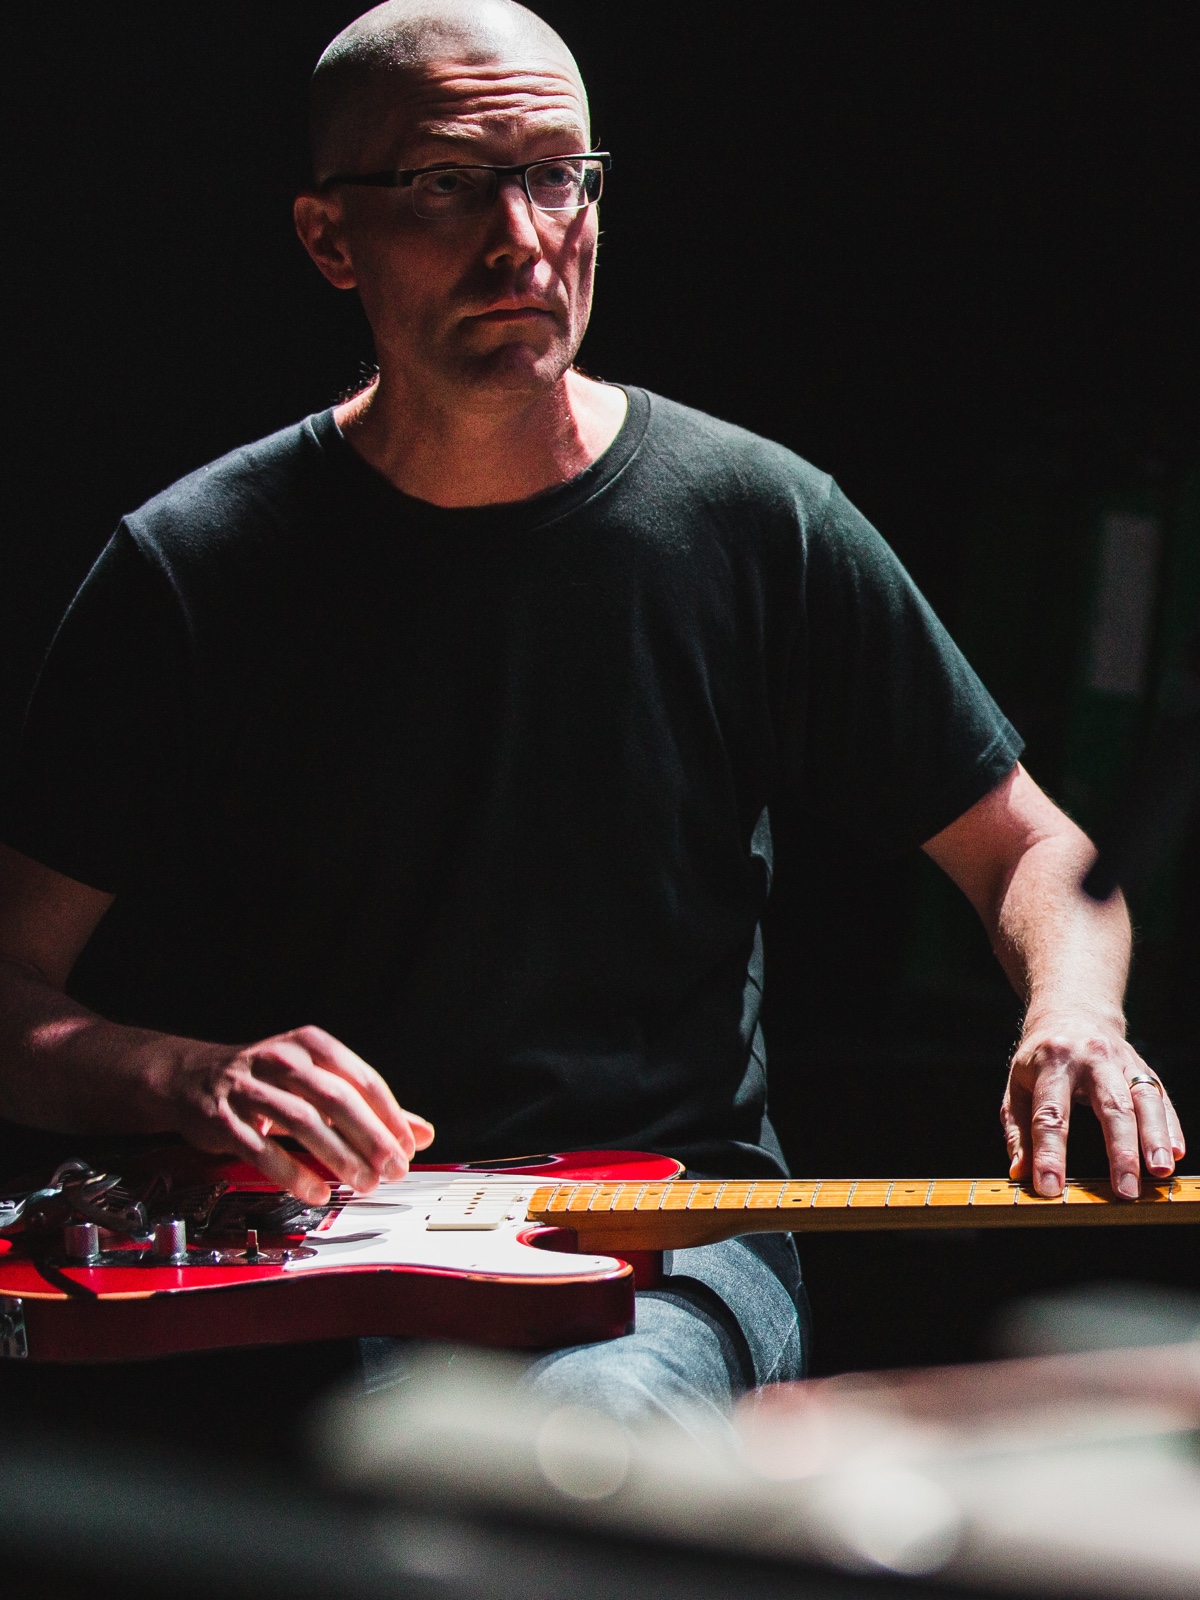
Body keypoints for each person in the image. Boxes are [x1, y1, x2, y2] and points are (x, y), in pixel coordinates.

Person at [0, 0, 1185, 1430]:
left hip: (662, 1251)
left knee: (572, 1455)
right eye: (447, 182)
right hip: (303, 1254)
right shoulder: (187, 571)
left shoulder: (756, 521)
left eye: (556, 174)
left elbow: (1034, 854)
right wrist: (187, 1077)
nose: (522, 238)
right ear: (328, 237)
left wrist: (1074, 1013)